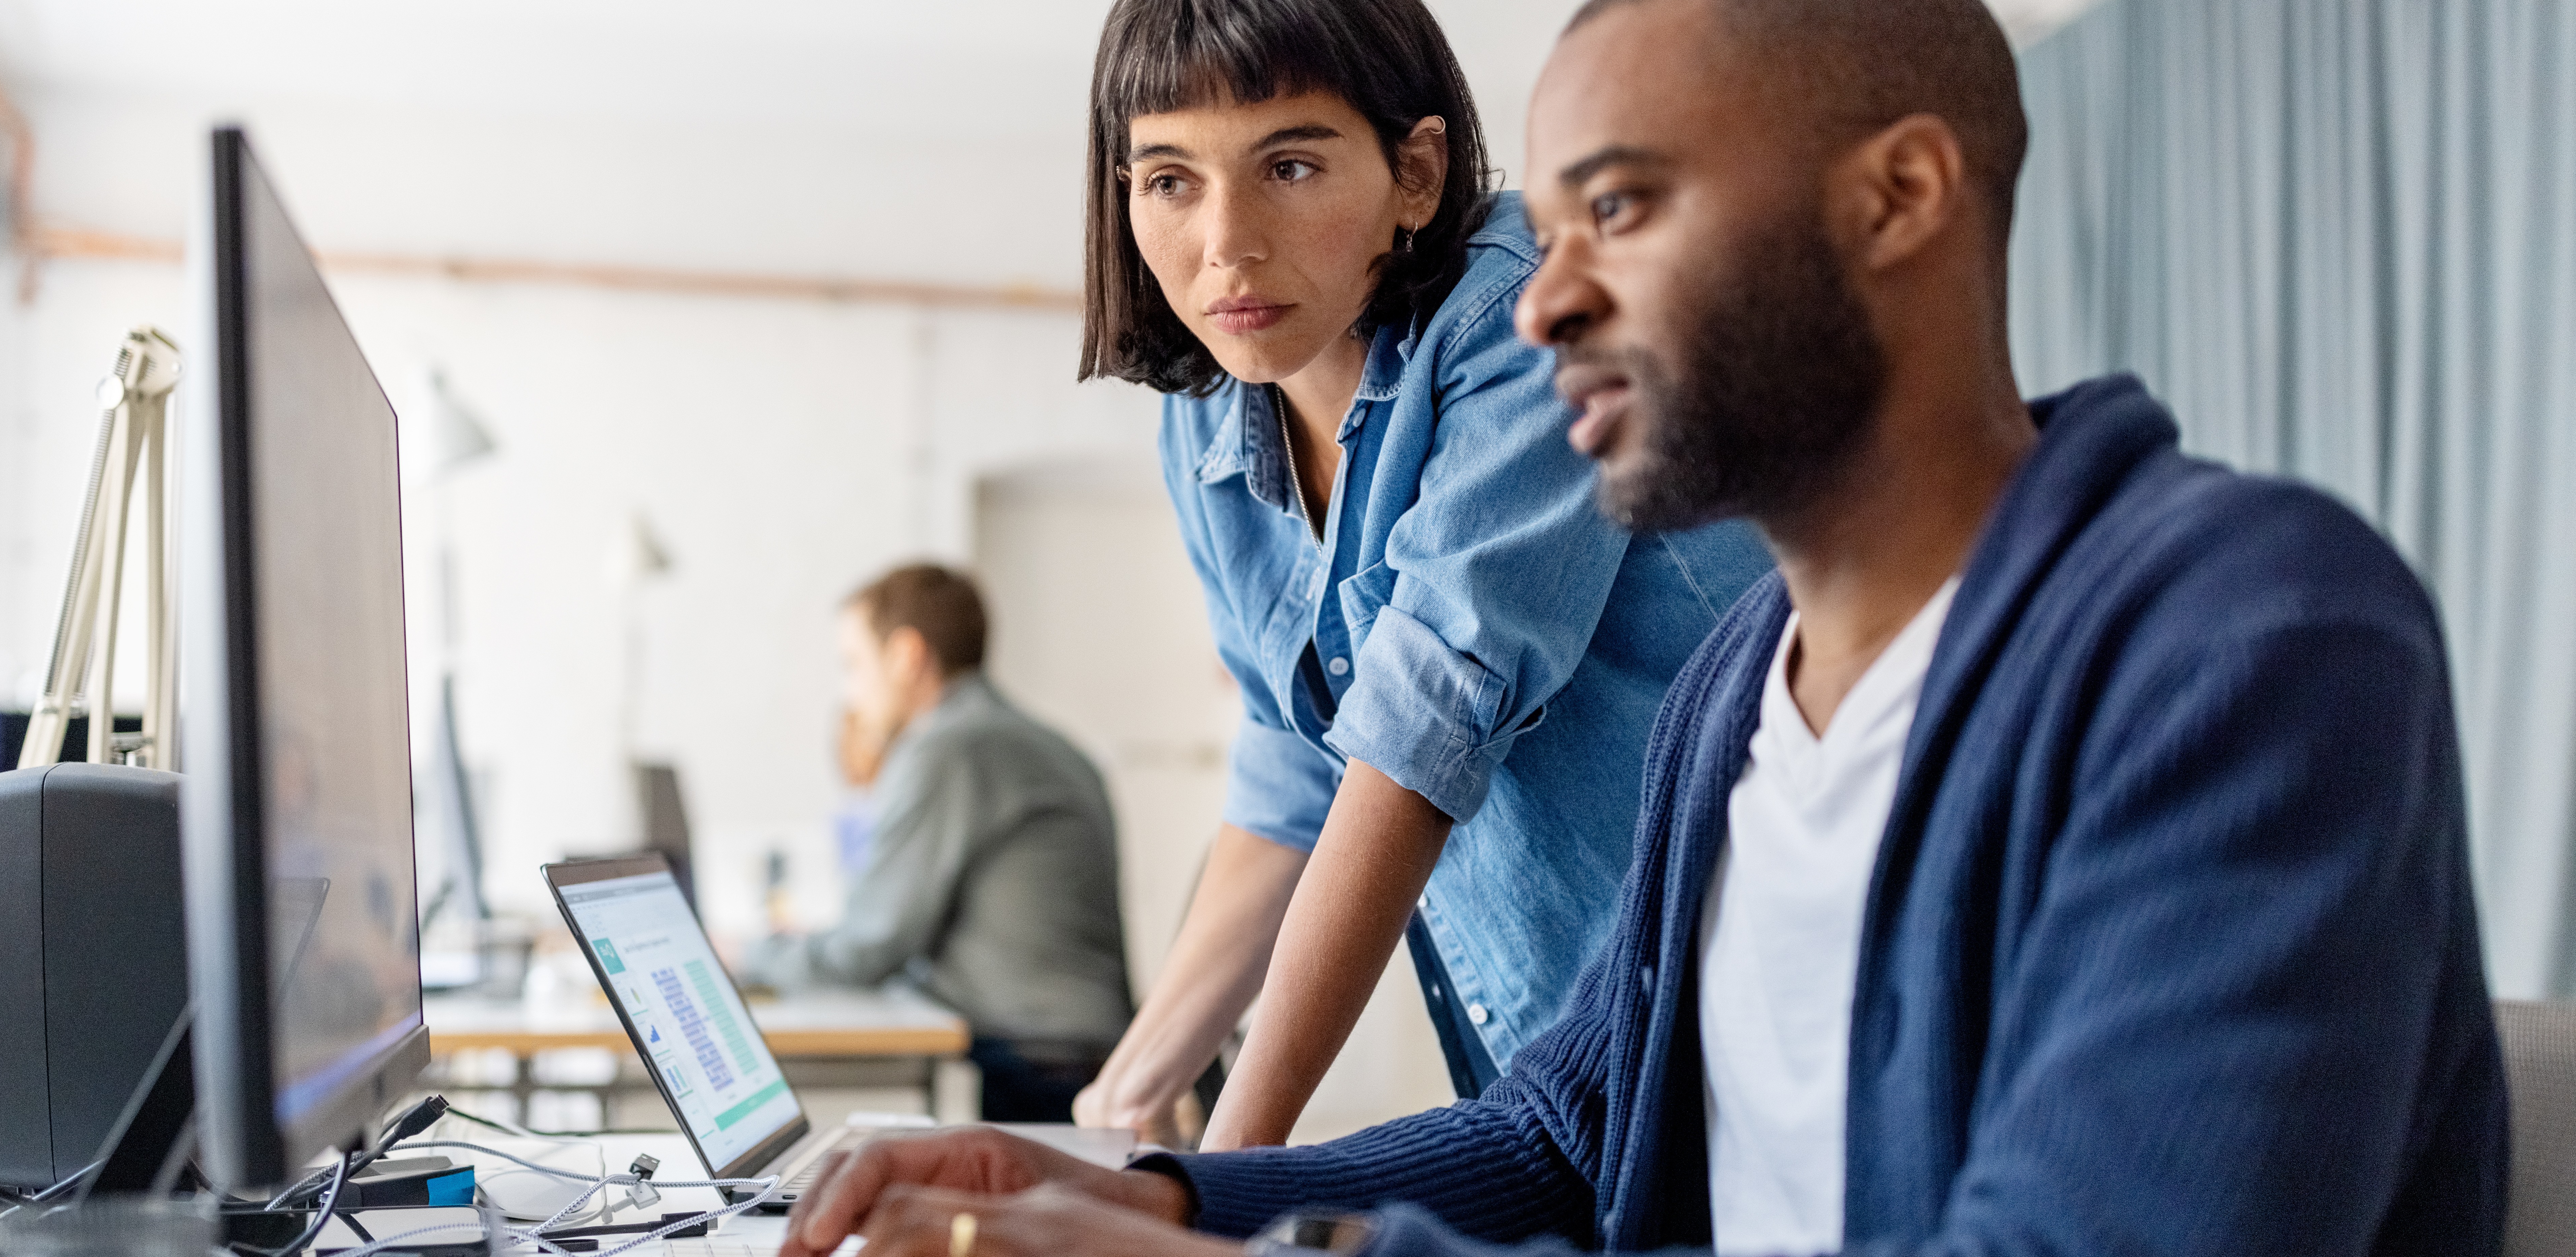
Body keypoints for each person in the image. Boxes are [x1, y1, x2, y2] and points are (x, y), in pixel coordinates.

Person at [772, 0, 2509, 1252]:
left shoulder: (2252, 642)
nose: (1542, 296)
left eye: (1619, 207)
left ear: (1898, 198)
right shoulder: (1740, 697)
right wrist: (1147, 1190)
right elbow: (1559, 1131)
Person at [1071, 0, 1773, 1149]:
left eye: (1288, 163)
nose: (1225, 244)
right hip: (1559, 1072)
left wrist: (1219, 1177)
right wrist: (1130, 1097)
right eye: (1169, 180)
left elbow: (1417, 733)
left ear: (1416, 171)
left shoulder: (1528, 319)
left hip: (1755, 1019)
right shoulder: (1204, 420)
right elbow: (1294, 774)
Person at [740, 564, 1133, 1122]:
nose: (850, 692)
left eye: (853, 665)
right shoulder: (1037, 740)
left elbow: (868, 948)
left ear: (906, 655)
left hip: (1034, 1065)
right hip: (1081, 1053)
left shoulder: (949, 748)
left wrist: (751, 953)